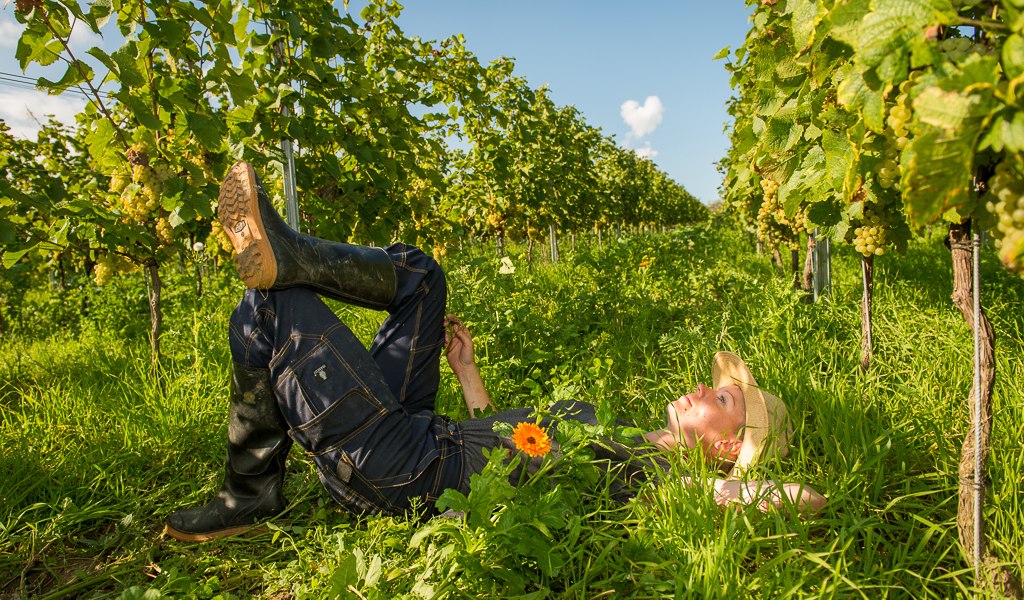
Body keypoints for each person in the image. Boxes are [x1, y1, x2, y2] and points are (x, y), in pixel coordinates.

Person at [163, 161, 826, 542]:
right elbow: (516, 444)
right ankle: (294, 256)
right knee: (422, 277)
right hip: (429, 429)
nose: (704, 390)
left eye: (723, 401)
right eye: (717, 387)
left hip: (399, 469)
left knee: (274, 309)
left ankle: (249, 492)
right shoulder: (619, 426)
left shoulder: (665, 482)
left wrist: (738, 479)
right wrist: (468, 373)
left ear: (722, 447)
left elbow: (804, 498)